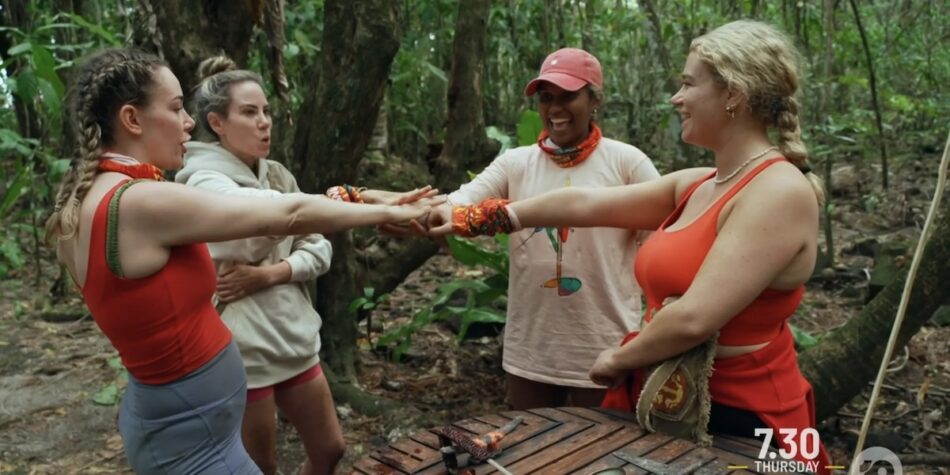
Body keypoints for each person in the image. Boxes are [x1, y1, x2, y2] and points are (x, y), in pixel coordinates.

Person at [428, 21, 831, 471]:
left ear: (733, 94)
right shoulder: (700, 183)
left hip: (748, 417)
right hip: (670, 398)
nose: (677, 98)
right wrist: (478, 215)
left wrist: (617, 358)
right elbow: (580, 203)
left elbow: (694, 317)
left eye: (687, 84)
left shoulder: (778, 190)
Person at [44, 48, 433, 474]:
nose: (188, 122)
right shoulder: (139, 202)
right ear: (132, 120)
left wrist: (364, 197)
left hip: (184, 419)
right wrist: (391, 213)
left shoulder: (91, 197)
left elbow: (280, 208)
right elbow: (288, 214)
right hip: (191, 434)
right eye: (176, 109)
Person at [175, 56, 429, 475]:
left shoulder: (276, 176)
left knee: (330, 448)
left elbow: (318, 246)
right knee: (260, 465)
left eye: (267, 112)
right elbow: (267, 219)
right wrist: (359, 202)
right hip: (243, 347)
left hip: (293, 337)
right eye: (249, 112)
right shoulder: (201, 180)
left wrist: (273, 273)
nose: (264, 123)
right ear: (217, 123)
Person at [423, 48, 660, 409]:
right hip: (532, 346)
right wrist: (393, 209)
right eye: (547, 98)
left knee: (599, 455)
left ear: (594, 99)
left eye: (569, 96)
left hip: (605, 343)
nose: (555, 108)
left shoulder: (627, 163)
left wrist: (655, 328)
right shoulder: (516, 163)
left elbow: (662, 239)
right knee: (530, 450)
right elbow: (457, 203)